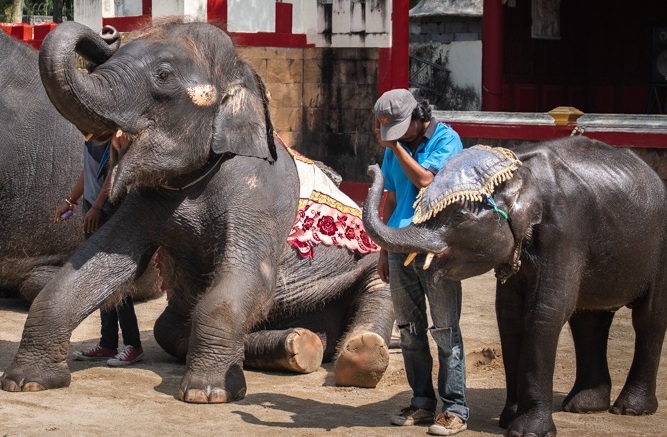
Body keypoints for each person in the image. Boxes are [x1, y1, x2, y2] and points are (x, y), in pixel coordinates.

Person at [373, 89, 467, 436]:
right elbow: (393, 196)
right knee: (410, 331)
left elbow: (427, 181)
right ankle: (422, 403)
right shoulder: (394, 145)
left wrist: (394, 147)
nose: (396, 136)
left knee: (444, 330)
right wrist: (383, 248)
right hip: (399, 247)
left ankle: (455, 408)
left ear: (419, 115)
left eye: (400, 129)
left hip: (435, 248)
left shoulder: (446, 139)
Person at [54, 133, 144, 367]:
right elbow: (89, 171)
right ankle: (108, 343)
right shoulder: (91, 136)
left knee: (114, 277)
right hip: (93, 209)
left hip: (110, 210)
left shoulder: (115, 135)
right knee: (99, 278)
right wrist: (71, 200)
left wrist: (97, 206)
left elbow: (115, 172)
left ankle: (133, 345)